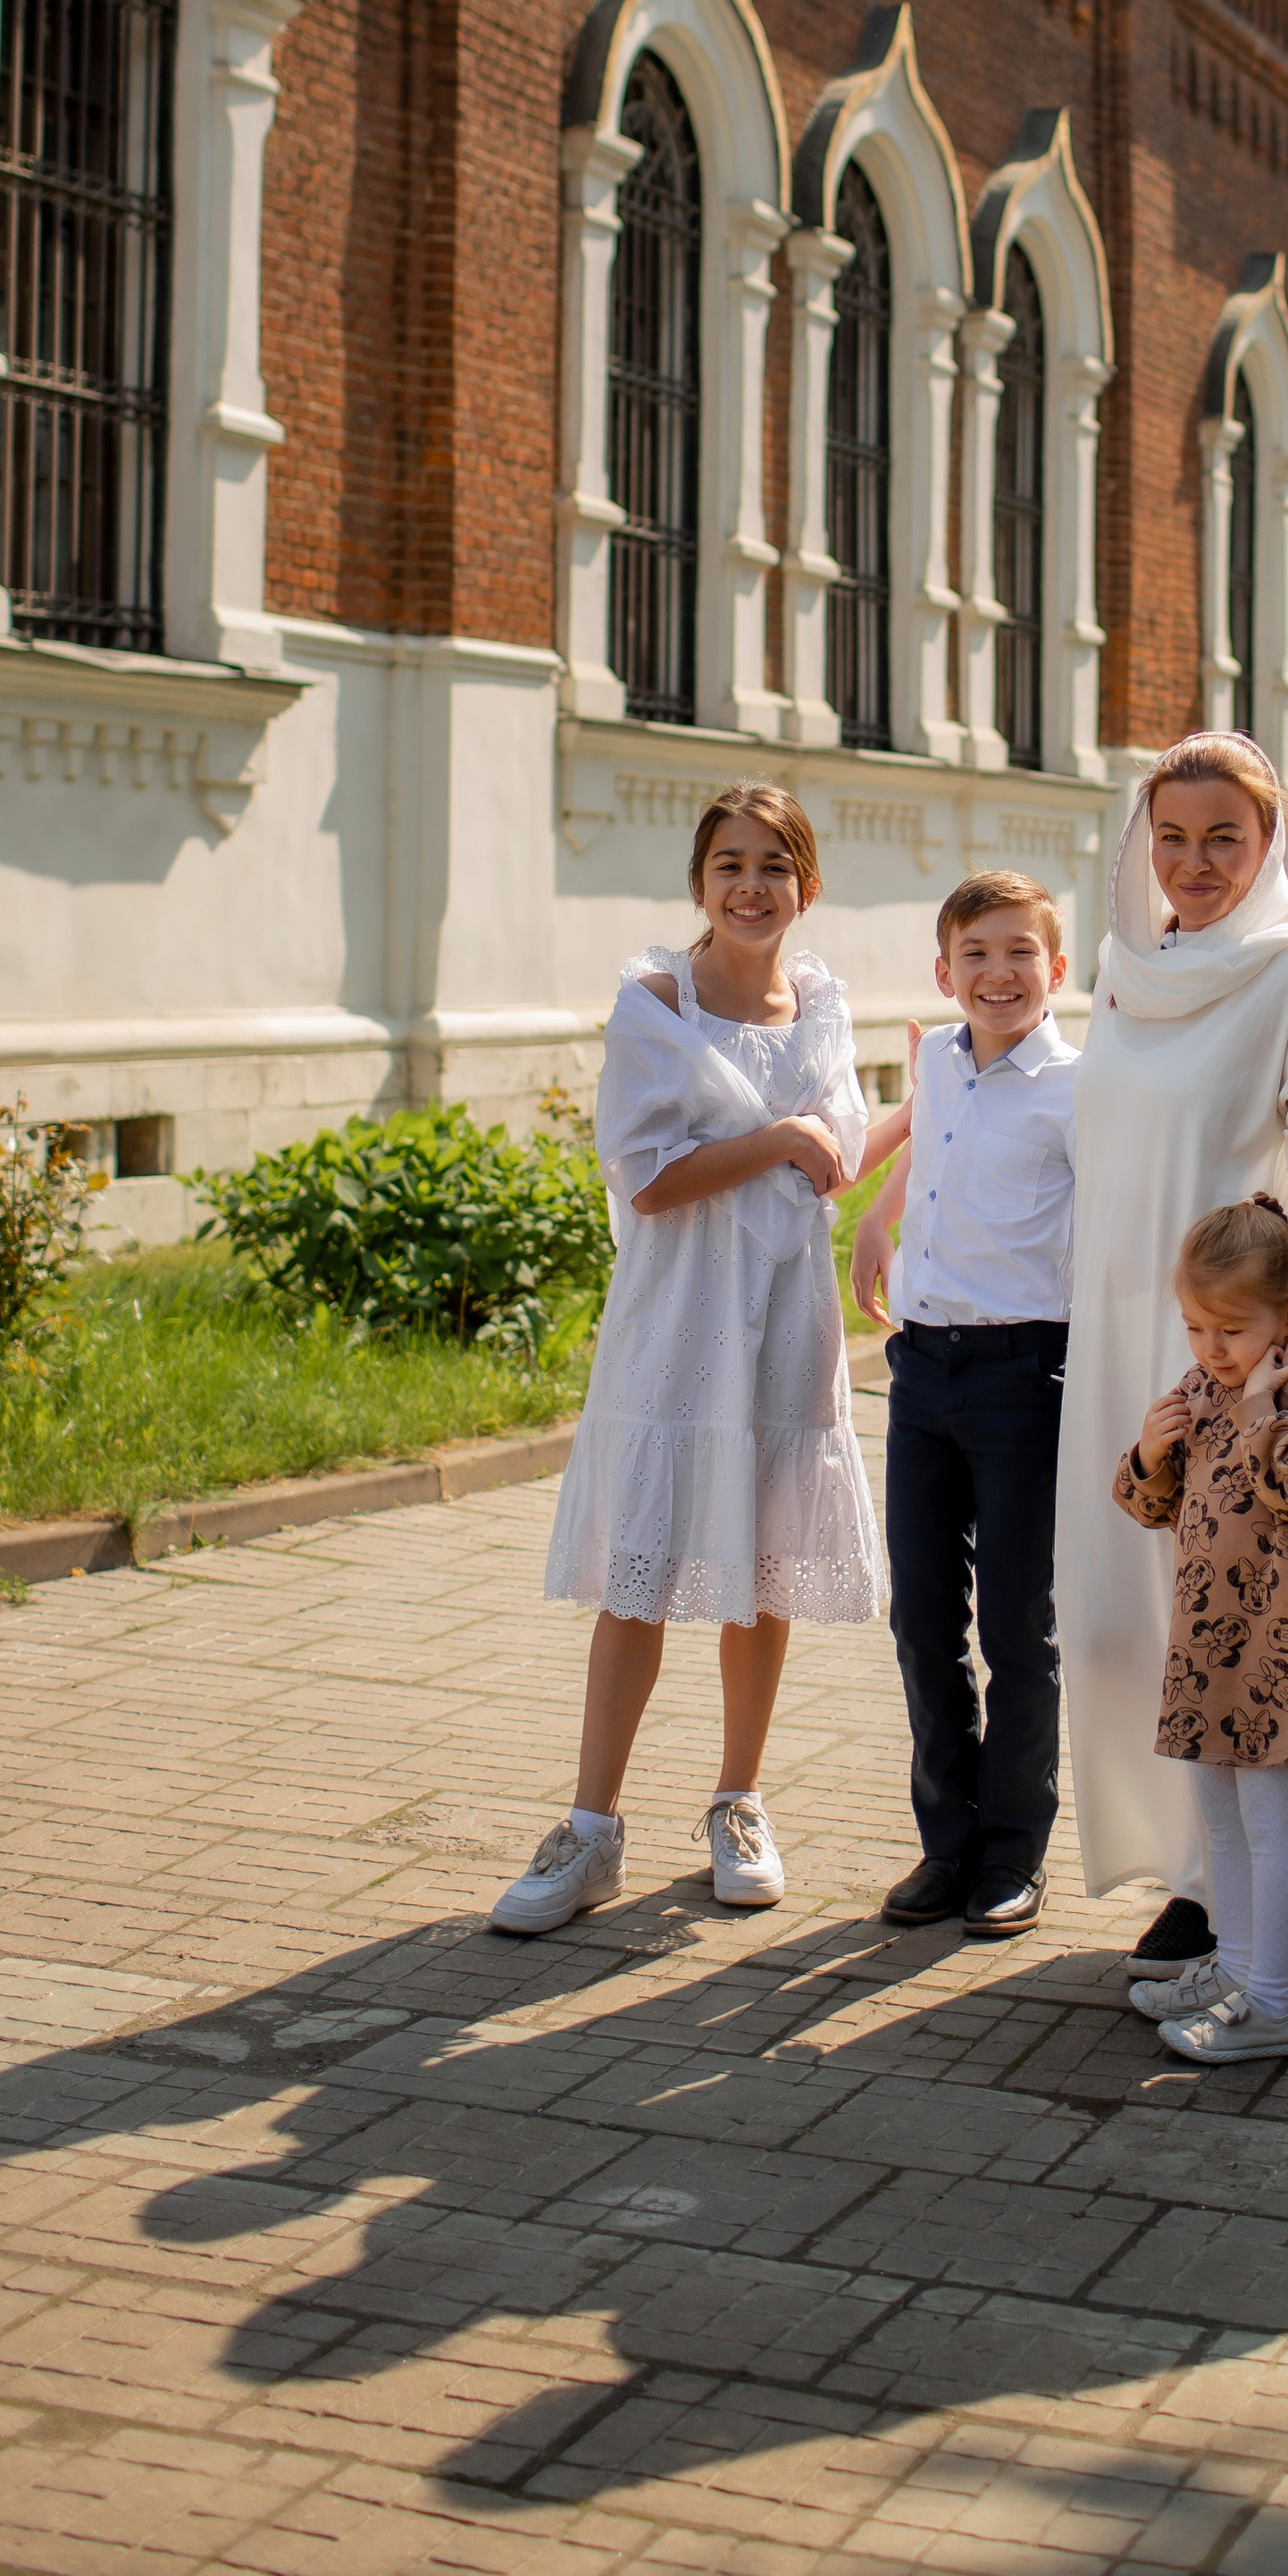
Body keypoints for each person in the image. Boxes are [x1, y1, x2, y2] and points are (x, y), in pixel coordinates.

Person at [490, 785, 905, 1936]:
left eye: (774, 865)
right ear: (699, 882)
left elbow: (837, 1163)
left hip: (784, 1317)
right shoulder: (655, 1004)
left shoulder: (822, 1007)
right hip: (677, 1319)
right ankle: (590, 1829)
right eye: (730, 863)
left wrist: (907, 1118)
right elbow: (648, 1179)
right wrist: (776, 1140)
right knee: (641, 1570)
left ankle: (738, 1803)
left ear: (806, 887)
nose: (750, 885)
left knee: (762, 1568)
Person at [1057, 732, 1288, 1966]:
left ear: (1269, 844)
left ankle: (1218, 1891)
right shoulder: (1122, 967)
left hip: (1222, 1348)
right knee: (1109, 1620)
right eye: (1173, 837)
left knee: (1219, 1624)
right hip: (1107, 1330)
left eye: (1223, 839)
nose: (1194, 862)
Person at [847, 871, 1076, 1940]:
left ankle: (1013, 1852)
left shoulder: (1077, 1090)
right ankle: (946, 1841)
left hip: (1025, 1374)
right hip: (921, 1372)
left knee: (1017, 1625)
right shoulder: (938, 1058)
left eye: (1020, 952)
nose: (998, 973)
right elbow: (933, 1137)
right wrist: (877, 1216)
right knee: (922, 1616)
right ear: (944, 973)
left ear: (1055, 969)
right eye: (975, 955)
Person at [1113, 1199, 1288, 2065]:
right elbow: (1150, 1506)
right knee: (1217, 1820)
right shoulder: (1200, 1390)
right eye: (1195, 1327)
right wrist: (1148, 1454)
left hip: (1272, 1651)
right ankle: (1236, 1964)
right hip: (1201, 1641)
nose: (1212, 1348)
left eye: (1230, 1329)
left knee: (1266, 1825)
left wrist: (1260, 1409)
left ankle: (1273, 2004)